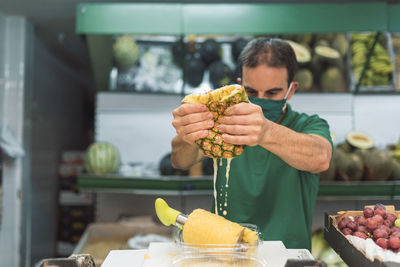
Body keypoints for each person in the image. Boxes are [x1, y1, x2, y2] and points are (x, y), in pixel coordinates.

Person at [171, 37, 333, 250]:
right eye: (252, 92)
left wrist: (266, 132)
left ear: (291, 90)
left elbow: (321, 157)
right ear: (239, 87)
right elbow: (180, 160)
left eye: (272, 93)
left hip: (288, 257)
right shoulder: (222, 121)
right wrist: (188, 133)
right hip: (227, 253)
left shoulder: (308, 124)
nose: (261, 100)